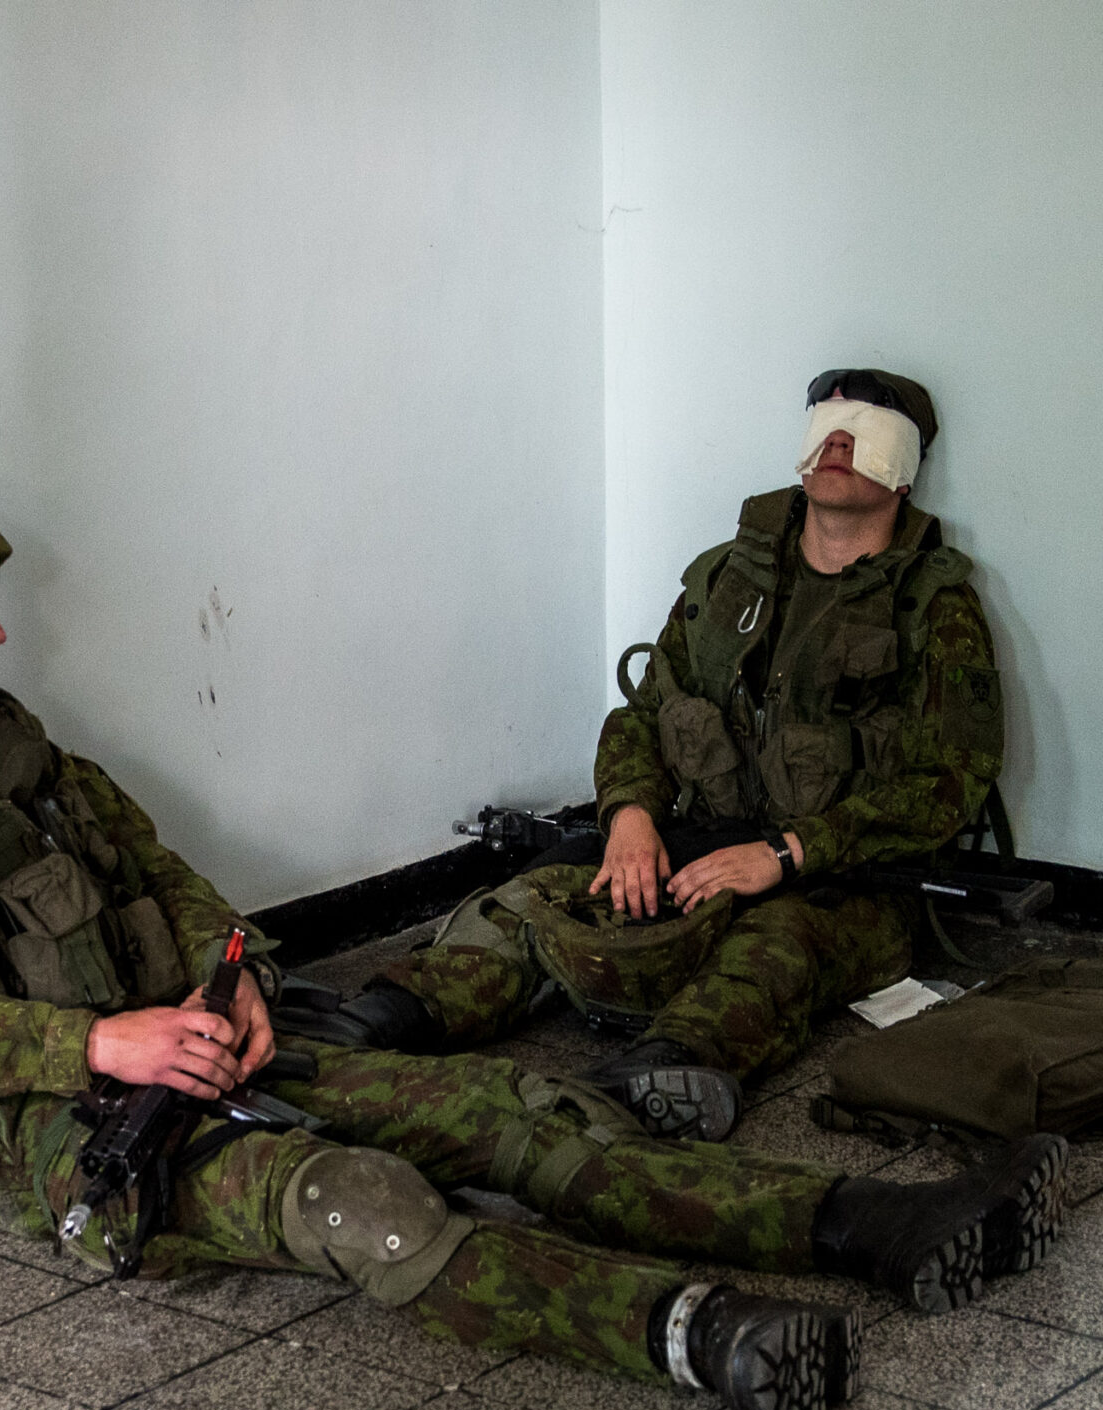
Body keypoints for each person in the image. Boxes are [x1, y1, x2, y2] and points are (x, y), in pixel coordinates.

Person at [0, 488, 1059, 1410]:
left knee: (510, 1110)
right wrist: (96, 1046)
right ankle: (702, 1334)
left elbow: (170, 880)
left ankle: (864, 1225)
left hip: (183, 1043)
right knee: (358, 1201)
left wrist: (234, 979)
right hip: (42, 1125)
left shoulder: (19, 751)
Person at [280, 369, 1048, 1301]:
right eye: (828, 421)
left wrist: (787, 854)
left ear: (906, 467)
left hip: (842, 876)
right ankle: (375, 1024)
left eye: (867, 427)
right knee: (537, 899)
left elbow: (950, 782)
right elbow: (644, 716)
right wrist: (632, 816)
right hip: (696, 835)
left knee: (780, 945)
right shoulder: (730, 578)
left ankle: (650, 1081)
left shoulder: (933, 604)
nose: (840, 440)